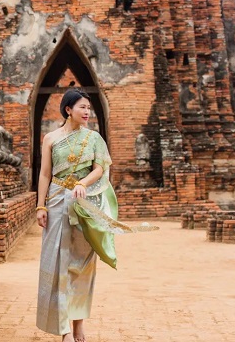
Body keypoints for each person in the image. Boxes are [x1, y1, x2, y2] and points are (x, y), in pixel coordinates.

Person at [35, 89, 156, 342]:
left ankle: (78, 325)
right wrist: (40, 206)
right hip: (57, 201)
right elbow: (45, 174)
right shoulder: (50, 138)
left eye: (89, 108)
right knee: (57, 263)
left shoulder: (94, 138)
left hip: (84, 202)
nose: (87, 112)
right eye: (82, 107)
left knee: (82, 265)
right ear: (68, 109)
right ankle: (64, 330)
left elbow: (100, 168)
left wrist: (82, 183)